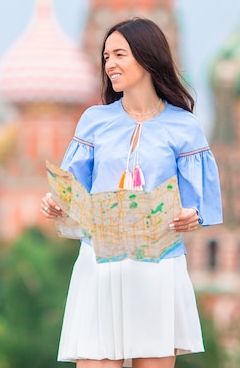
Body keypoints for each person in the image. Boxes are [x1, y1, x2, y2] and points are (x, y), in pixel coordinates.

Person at [40, 18, 223, 368]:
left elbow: (200, 203)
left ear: (147, 57)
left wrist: (192, 216)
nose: (110, 64)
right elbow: (71, 189)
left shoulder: (184, 126)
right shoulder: (94, 120)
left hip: (156, 267)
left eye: (119, 54)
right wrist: (56, 203)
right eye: (106, 56)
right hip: (100, 264)